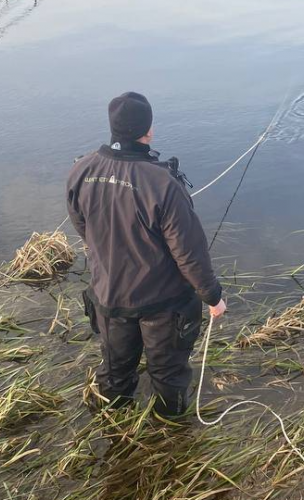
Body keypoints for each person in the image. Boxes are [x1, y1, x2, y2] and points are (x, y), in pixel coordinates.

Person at [67, 91, 226, 417]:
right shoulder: (163, 183)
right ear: (148, 131)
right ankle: (173, 435)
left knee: (115, 373)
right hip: (163, 306)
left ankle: (111, 433)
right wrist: (213, 297)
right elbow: (189, 253)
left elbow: (83, 228)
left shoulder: (81, 170)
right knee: (168, 375)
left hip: (108, 299)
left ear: (113, 127)